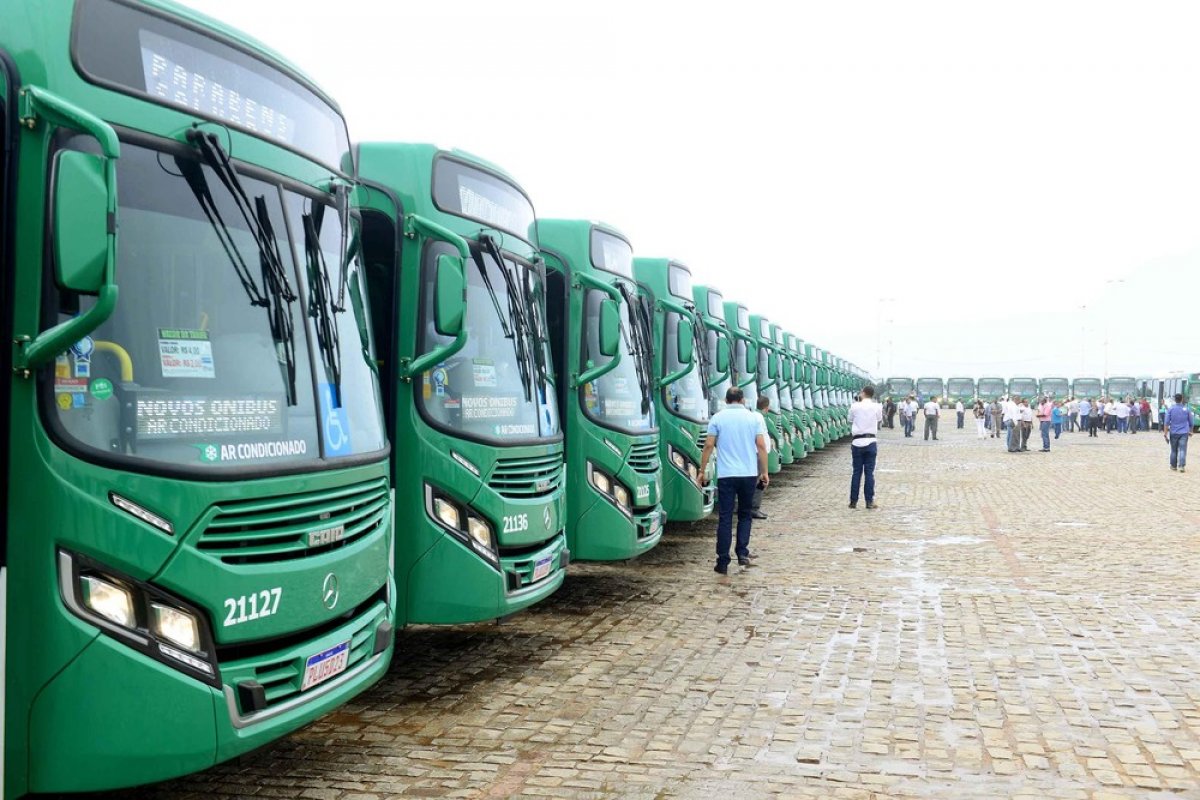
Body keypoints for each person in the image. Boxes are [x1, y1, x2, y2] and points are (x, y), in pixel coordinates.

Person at [699, 387, 769, 575]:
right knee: (745, 515)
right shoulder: (753, 418)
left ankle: (722, 560)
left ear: (726, 400)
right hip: (748, 474)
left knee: (725, 517)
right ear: (742, 399)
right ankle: (742, 553)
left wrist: (702, 471)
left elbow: (708, 445)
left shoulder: (717, 418)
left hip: (726, 475)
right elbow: (761, 446)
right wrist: (764, 472)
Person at [848, 385, 883, 509]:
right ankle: (869, 501)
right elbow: (879, 419)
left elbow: (850, 419)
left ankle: (853, 501)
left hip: (857, 441)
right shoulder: (877, 406)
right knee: (869, 473)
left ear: (863, 393)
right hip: (871, 441)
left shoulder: (854, 406)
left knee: (856, 472)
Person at [750, 395, 772, 520]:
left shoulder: (755, 416)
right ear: (767, 408)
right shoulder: (758, 417)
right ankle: (754, 508)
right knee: (760, 481)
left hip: (756, 453)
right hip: (758, 453)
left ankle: (752, 507)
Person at [1163, 393, 1194, 473]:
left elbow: (1166, 422)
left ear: (1174, 399)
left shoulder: (1171, 409)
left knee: (1173, 450)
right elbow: (1191, 422)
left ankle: (1173, 466)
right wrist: (1190, 431)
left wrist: (1165, 434)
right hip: (1184, 433)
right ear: (1182, 399)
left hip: (1173, 432)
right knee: (1182, 449)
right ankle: (1181, 466)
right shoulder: (1186, 409)